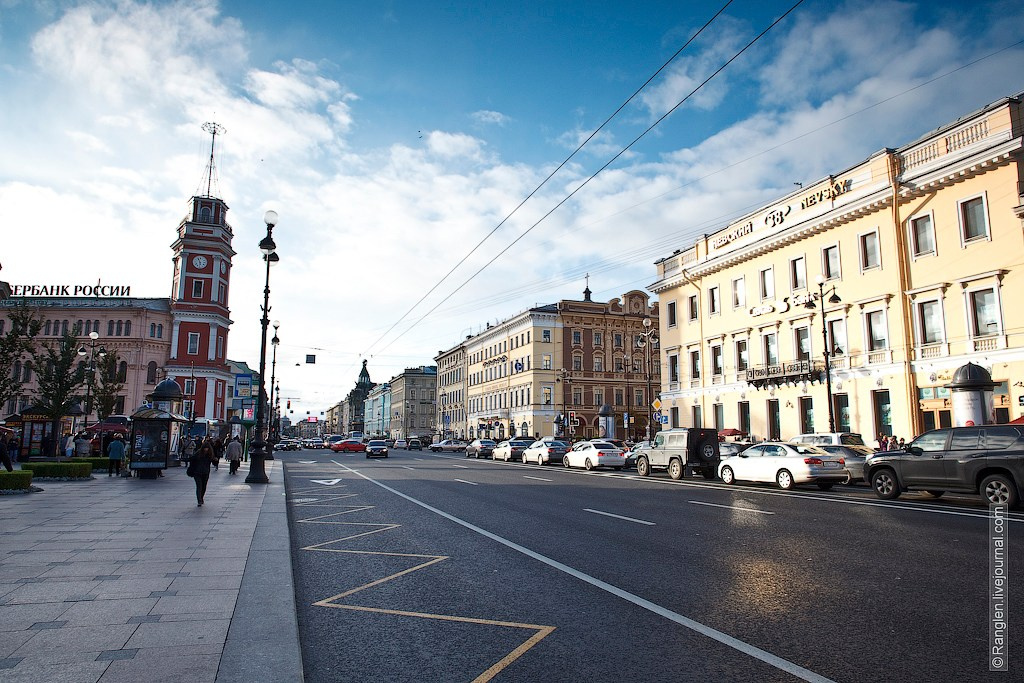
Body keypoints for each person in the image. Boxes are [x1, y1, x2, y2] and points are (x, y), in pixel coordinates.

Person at [191, 438, 216, 506]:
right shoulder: (198, 453)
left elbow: (213, 461)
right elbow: (192, 459)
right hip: (197, 472)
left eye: (207, 448)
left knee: (204, 486)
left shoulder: (210, 454)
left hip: (205, 472)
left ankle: (201, 498)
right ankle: (199, 500)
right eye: (205, 448)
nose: (206, 449)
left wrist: (215, 460)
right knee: (199, 486)